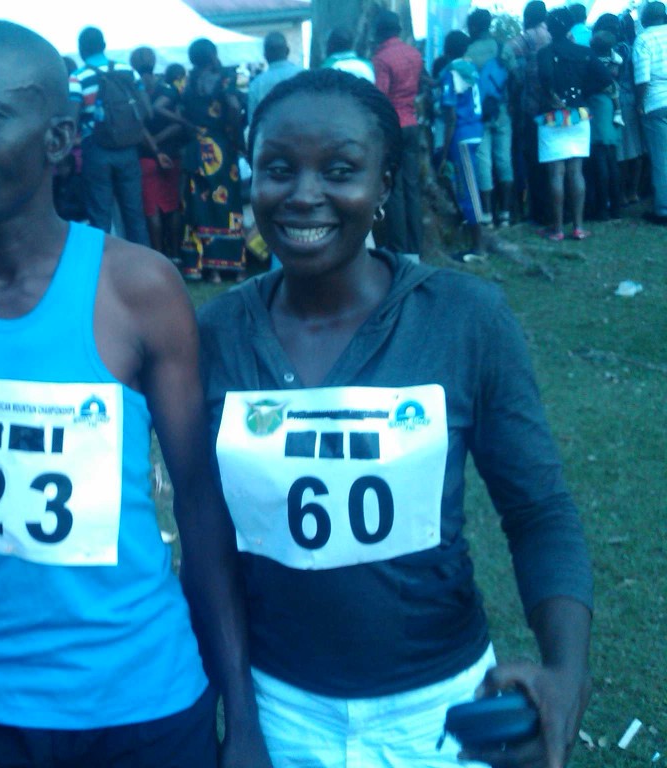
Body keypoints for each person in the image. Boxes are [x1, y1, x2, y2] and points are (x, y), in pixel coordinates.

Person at [0, 19, 270, 768]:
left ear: (58, 139)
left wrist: (241, 714)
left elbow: (202, 505)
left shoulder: (138, 291)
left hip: (146, 705)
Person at [198, 67, 593, 768]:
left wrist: (566, 670)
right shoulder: (218, 332)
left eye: (341, 169)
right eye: (278, 168)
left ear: (384, 185)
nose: (304, 195)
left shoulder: (465, 318)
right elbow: (208, 540)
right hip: (278, 705)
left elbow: (539, 511)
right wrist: (241, 715)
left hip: (440, 709)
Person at [69, 26, 151, 245]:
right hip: (128, 147)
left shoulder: (78, 78)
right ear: (104, 46)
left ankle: (102, 269)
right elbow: (146, 109)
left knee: (100, 215)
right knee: (134, 213)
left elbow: (73, 117)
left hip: (95, 149)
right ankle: (143, 269)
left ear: (81, 50)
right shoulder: (128, 71)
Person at [536, 7, 612, 241]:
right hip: (579, 114)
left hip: (553, 116)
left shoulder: (545, 53)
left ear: (549, 28)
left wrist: (552, 95)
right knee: (576, 171)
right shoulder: (585, 52)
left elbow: (546, 75)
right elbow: (606, 78)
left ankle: (557, 229)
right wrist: (582, 93)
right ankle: (578, 227)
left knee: (556, 174)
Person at [179, 38, 246, 283]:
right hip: (221, 148)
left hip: (197, 148)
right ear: (213, 53)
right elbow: (233, 104)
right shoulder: (225, 76)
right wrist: (236, 131)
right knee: (229, 206)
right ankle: (236, 268)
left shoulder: (189, 80)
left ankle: (210, 269)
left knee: (201, 206)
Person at [372, 10, 423, 258]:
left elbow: (380, 97)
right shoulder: (414, 54)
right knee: (412, 187)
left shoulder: (382, 58)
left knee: (394, 190)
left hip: (394, 127)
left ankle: (400, 250)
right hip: (412, 122)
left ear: (379, 33)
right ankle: (416, 247)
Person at [130, 48, 187, 261]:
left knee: (151, 208)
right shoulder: (169, 90)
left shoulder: (135, 90)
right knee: (173, 206)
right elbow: (179, 125)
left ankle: (158, 256)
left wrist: (153, 145)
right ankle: (175, 252)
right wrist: (162, 143)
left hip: (145, 157)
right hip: (173, 156)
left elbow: (138, 124)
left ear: (133, 65)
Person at [438, 31, 486, 261]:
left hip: (462, 134)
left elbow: (451, 116)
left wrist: (445, 149)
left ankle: (479, 247)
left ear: (446, 50)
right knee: (466, 186)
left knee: (469, 189)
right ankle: (474, 240)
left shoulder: (452, 71)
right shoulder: (470, 67)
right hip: (475, 130)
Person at [466, 9, 515, 227]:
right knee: (504, 160)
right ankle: (505, 212)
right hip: (502, 110)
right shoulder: (503, 48)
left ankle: (486, 214)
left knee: (483, 161)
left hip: (479, 114)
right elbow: (516, 78)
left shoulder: (469, 52)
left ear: (474, 27)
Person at [506, 1, 552, 226]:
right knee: (553, 162)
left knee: (533, 161)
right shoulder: (556, 34)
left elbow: (506, 51)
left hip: (532, 107)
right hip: (555, 107)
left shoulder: (529, 37)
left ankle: (537, 211)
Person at [634, 1, 667, 225]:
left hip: (656, 104)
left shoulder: (643, 39)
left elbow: (643, 78)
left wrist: (640, 103)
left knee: (661, 159)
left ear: (645, 18)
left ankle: (663, 209)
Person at [586, 32, 624, 220]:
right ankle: (616, 205)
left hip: (598, 106)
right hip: (612, 107)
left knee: (600, 159)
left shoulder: (591, 61)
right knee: (612, 159)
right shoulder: (615, 60)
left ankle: (602, 207)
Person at [615, 12, 646, 207]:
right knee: (637, 149)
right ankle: (633, 191)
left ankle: (625, 193)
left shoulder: (618, 49)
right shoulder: (634, 46)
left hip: (620, 101)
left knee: (623, 151)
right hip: (636, 100)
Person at [246, 32, 303, 124]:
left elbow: (253, 122)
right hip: (304, 133)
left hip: (271, 136)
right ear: (288, 51)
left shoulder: (256, 84)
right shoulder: (304, 75)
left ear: (265, 55)